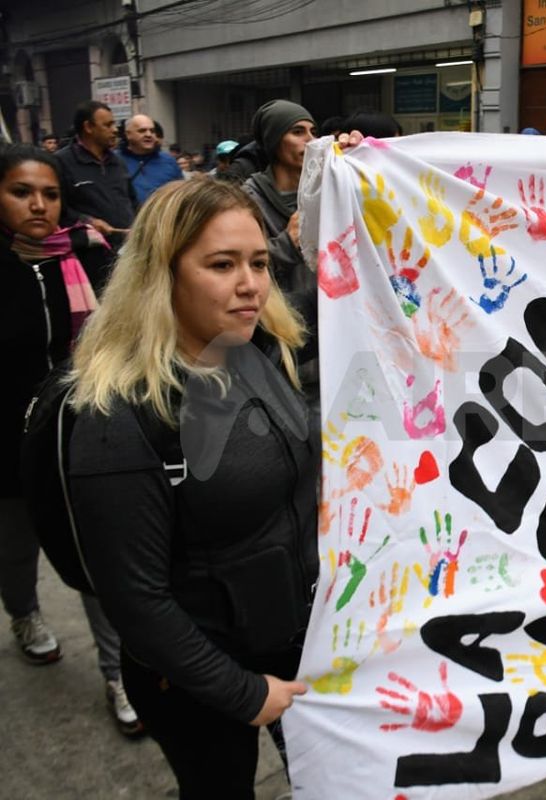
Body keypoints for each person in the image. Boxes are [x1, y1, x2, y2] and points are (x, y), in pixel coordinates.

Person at [65, 178, 317, 797]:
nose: (251, 284)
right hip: (197, 678)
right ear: (162, 275)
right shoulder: (117, 416)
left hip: (296, 641)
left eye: (259, 263)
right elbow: (137, 600)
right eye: (222, 265)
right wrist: (243, 693)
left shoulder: (261, 349)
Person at [0, 144, 144, 737]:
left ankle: (118, 673)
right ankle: (24, 614)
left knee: (96, 558)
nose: (39, 205)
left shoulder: (90, 252)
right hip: (7, 449)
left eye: (51, 194)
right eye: (21, 193)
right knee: (16, 550)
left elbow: (123, 331)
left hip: (78, 435)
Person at [240, 99, 318, 404]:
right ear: (274, 140)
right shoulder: (246, 201)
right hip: (277, 338)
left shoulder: (324, 190)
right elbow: (239, 268)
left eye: (312, 131)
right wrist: (288, 242)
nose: (309, 140)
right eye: (297, 132)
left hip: (324, 338)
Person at [55, 100, 136, 255]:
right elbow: (58, 209)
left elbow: (131, 200)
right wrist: (88, 221)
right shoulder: (61, 162)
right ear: (88, 127)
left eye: (114, 124)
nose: (115, 130)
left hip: (126, 250)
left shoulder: (118, 162)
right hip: (88, 253)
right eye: (108, 125)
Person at [119, 114, 185, 205]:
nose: (149, 135)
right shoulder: (115, 160)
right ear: (128, 134)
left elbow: (181, 195)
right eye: (142, 131)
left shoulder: (169, 161)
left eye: (152, 131)